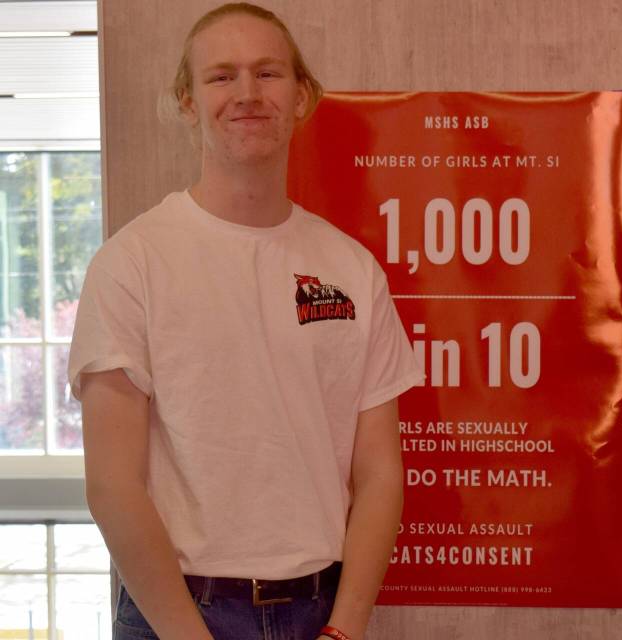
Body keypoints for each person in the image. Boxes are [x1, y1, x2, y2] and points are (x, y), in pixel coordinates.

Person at [69, 3, 421, 639]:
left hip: (322, 612)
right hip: (175, 614)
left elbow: (380, 473)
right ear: (187, 99)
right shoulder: (132, 263)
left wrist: (345, 629)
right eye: (221, 76)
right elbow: (112, 486)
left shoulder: (353, 269)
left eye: (268, 73)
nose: (248, 94)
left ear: (302, 95)